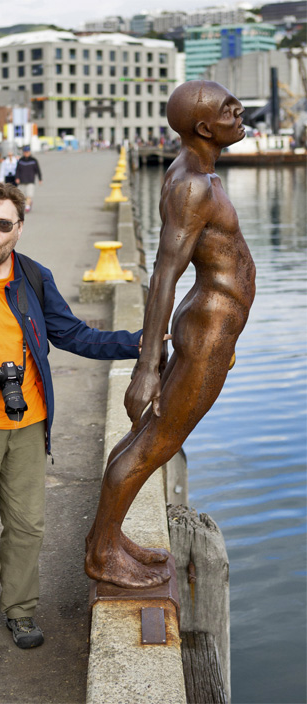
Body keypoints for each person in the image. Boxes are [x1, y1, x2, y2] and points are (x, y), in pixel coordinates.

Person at [0, 182, 143, 658]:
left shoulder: (35, 278)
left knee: (27, 526)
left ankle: (20, 610)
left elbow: (73, 334)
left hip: (29, 423)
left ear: (19, 227)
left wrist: (135, 343)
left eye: (2, 225)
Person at [86, 81, 254, 589]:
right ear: (205, 127)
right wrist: (146, 366)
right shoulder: (193, 187)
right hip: (206, 330)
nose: (239, 110)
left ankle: (108, 540)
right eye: (229, 108)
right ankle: (102, 554)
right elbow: (164, 271)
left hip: (210, 327)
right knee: (158, 442)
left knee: (145, 439)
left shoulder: (198, 175)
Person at [14, 147, 43, 213]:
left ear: (29, 152)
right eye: (25, 152)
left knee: (29, 195)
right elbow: (17, 170)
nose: (26, 153)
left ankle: (27, 207)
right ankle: (29, 203)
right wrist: (17, 178)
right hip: (22, 180)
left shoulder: (33, 160)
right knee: (21, 196)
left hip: (30, 180)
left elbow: (38, 170)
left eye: (27, 152)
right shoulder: (21, 160)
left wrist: (40, 179)